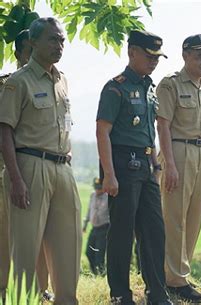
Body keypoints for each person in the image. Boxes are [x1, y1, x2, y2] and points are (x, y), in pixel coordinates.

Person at [0, 18, 81, 304]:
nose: (59, 46)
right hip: (30, 166)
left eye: (61, 40)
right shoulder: (18, 82)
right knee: (25, 250)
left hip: (63, 166)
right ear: (32, 43)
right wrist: (16, 179)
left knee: (68, 246)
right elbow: (4, 130)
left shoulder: (62, 81)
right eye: (52, 39)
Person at [96, 30, 171, 305]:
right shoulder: (115, 87)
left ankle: (157, 292)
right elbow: (102, 131)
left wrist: (156, 165)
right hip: (122, 164)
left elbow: (149, 132)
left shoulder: (149, 88)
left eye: (157, 57)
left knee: (154, 230)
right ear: (132, 52)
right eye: (149, 56)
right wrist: (109, 175)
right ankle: (120, 294)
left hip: (146, 165)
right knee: (122, 233)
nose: (154, 61)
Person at [156, 34, 201, 302]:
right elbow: (163, 125)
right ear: (185, 56)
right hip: (178, 153)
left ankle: (181, 273)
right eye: (199, 56)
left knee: (194, 219)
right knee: (175, 218)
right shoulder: (170, 85)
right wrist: (169, 164)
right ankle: (173, 279)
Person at [0, 29, 55, 304]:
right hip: (7, 169)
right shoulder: (7, 84)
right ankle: (4, 287)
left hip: (35, 169)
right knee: (6, 234)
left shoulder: (51, 82)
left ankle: (40, 287)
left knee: (42, 233)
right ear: (20, 52)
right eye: (26, 50)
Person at [83, 177, 109, 276]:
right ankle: (94, 272)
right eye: (96, 188)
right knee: (88, 252)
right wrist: (85, 225)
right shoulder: (92, 196)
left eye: (99, 188)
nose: (97, 190)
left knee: (99, 255)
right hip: (94, 229)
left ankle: (101, 275)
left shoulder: (108, 197)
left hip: (104, 229)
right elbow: (89, 210)